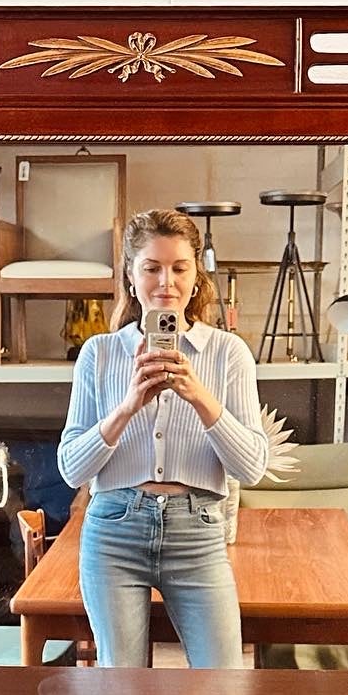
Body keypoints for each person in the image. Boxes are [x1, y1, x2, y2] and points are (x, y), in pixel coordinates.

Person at [57, 209, 269, 668]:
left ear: (197, 277)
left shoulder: (228, 353)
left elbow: (251, 467)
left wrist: (198, 395)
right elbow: (72, 467)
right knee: (124, 691)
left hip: (198, 533)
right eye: (151, 268)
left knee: (224, 684)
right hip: (115, 531)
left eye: (179, 268)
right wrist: (128, 404)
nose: (165, 282)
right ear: (131, 278)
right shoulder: (100, 353)